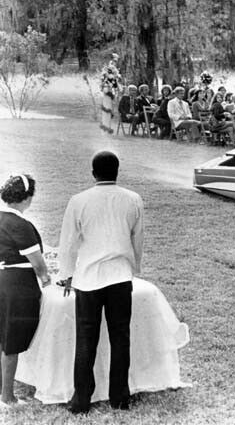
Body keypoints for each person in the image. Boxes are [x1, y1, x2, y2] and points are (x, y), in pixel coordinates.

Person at [57, 151, 143, 414]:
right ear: (117, 171)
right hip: (119, 276)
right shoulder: (133, 199)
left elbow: (68, 242)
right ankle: (120, 398)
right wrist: (134, 269)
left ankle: (81, 401)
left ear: (93, 173)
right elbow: (137, 239)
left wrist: (66, 274)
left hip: (89, 279)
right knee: (120, 338)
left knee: (86, 339)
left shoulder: (79, 200)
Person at [0, 175, 51, 407]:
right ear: (27, 198)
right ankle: (8, 397)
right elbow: (38, 264)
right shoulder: (20, 225)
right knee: (12, 341)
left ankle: (3, 391)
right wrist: (47, 280)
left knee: (2, 337)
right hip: (17, 285)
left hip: (2, 279)